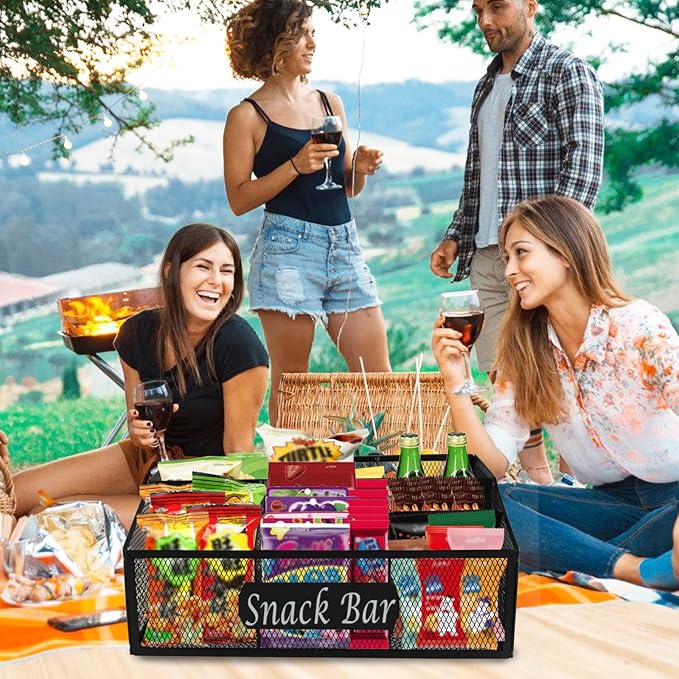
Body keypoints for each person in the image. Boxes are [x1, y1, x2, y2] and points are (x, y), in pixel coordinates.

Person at [431, 195, 679, 589]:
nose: (509, 271)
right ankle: (635, 568)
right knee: (482, 505)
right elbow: (489, 468)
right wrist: (455, 384)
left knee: (497, 537)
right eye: (507, 258)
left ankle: (575, 555)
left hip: (673, 503)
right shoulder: (525, 351)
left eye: (521, 253)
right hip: (610, 506)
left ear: (565, 252)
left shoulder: (638, 327)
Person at [430, 0, 604, 479]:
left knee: (563, 378)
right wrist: (456, 235)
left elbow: (583, 173)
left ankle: (578, 486)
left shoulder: (567, 73)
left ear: (531, 5)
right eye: (478, 10)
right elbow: (476, 176)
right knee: (507, 378)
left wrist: (553, 251)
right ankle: (538, 482)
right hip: (488, 257)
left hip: (547, 262)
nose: (486, 21)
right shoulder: (486, 85)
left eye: (498, 7)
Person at [3, 223, 269, 529]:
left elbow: (239, 453)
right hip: (147, 462)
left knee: (48, 515)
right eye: (203, 266)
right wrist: (140, 433)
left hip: (207, 487)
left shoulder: (238, 344)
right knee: (14, 497)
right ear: (171, 271)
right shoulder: (136, 333)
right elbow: (136, 425)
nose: (216, 281)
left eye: (227, 271)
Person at [222, 0, 391, 426]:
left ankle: (384, 465)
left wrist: (360, 169)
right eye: (302, 33)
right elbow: (239, 199)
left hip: (344, 247)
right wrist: (295, 166)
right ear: (274, 40)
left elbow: (345, 187)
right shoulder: (246, 116)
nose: (313, 43)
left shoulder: (330, 102)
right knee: (293, 384)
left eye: (314, 33)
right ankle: (291, 467)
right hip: (287, 254)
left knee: (379, 379)